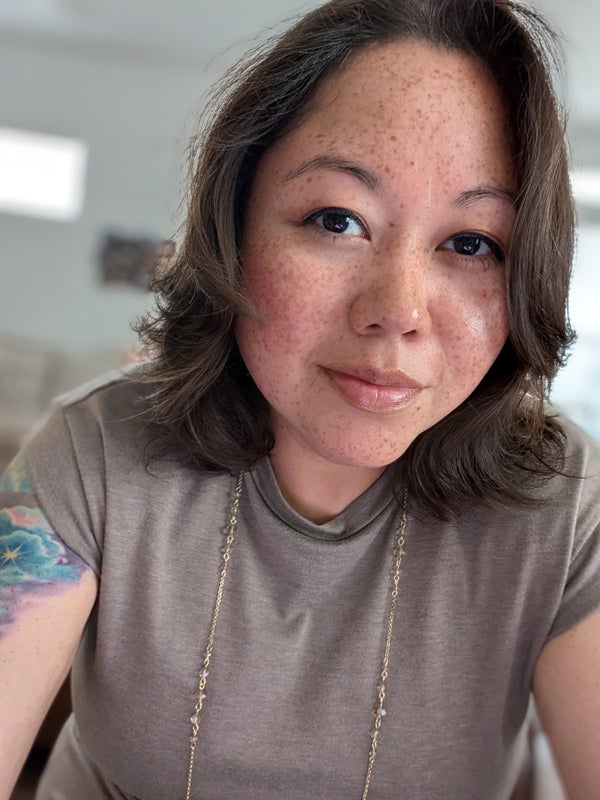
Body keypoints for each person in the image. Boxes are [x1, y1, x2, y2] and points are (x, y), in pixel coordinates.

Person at [1, 0, 599, 797]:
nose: (399, 309)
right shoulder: (94, 455)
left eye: (471, 243)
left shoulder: (563, 504)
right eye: (337, 220)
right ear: (235, 230)